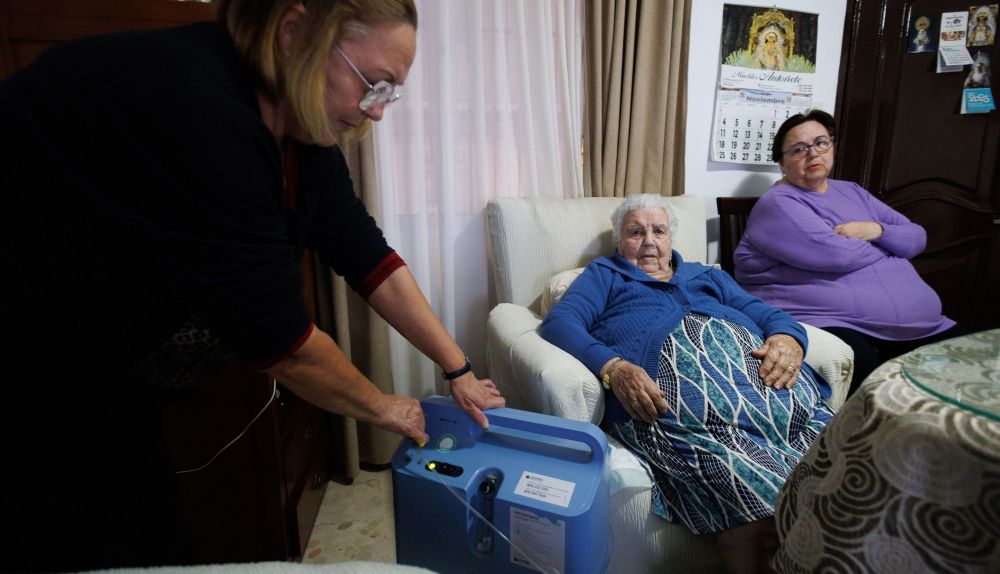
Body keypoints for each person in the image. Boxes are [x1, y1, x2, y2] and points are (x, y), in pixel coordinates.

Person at [0, 0, 503, 571]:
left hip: (112, 385)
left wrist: (456, 366)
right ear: (294, 33)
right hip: (31, 371)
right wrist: (386, 408)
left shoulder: (301, 131)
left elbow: (368, 257)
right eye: (373, 84)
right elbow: (281, 340)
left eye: (389, 93)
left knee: (155, 537)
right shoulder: (201, 106)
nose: (377, 112)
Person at [540, 194, 833, 574]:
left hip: (777, 398)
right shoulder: (604, 275)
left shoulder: (707, 276)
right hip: (689, 417)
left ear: (671, 238)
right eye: (635, 231)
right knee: (753, 495)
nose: (649, 240)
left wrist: (788, 338)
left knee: (845, 471)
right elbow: (560, 323)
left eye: (658, 230)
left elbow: (768, 314)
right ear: (619, 241)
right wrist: (614, 366)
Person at [733, 109, 965, 396]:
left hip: (922, 326)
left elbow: (916, 237)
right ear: (781, 163)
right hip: (838, 323)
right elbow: (835, 253)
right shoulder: (778, 203)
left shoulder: (851, 191)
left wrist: (875, 231)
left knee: (977, 368)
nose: (813, 154)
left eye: (821, 143)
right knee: (886, 393)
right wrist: (892, 248)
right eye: (798, 149)